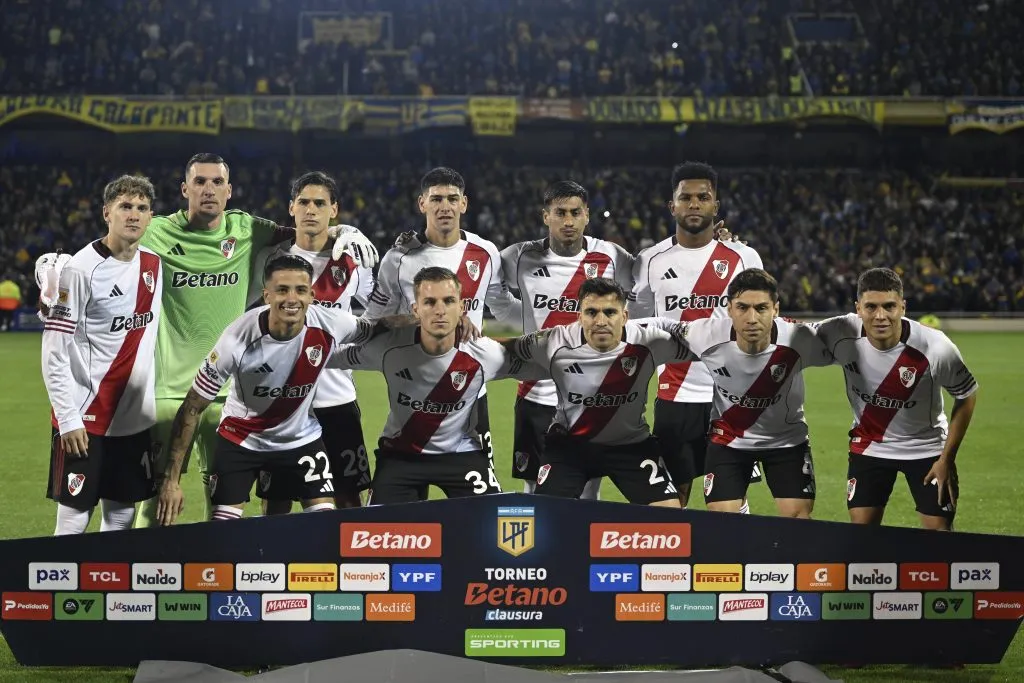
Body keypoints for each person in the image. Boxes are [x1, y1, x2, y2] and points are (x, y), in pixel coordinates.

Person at [121, 152, 377, 527]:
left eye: (217, 182)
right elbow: (118, 234)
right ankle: (157, 573)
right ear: (184, 188)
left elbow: (366, 312)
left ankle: (235, 569)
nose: (208, 189)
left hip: (287, 393)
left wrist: (347, 230)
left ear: (229, 190)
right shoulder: (164, 232)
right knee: (164, 493)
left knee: (333, 496)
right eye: (200, 182)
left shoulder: (255, 233)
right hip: (199, 392)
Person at [155, 256, 382, 524]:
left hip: (301, 439)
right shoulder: (236, 340)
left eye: (300, 290)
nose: (291, 298)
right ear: (266, 296)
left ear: (311, 295)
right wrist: (171, 481)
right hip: (241, 439)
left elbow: (377, 329)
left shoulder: (331, 323)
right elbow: (192, 406)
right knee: (223, 530)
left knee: (325, 526)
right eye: (282, 290)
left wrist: (428, 326)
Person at [362, 167, 520, 471]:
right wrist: (420, 322)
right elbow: (373, 322)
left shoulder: (486, 253)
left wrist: (557, 322)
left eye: (452, 198)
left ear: (464, 203)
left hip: (472, 389)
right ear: (422, 204)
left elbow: (504, 308)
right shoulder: (398, 258)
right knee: (404, 505)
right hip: (413, 389)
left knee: (478, 504)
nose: (444, 206)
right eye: (436, 199)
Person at [629, 161, 764, 510]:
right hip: (675, 398)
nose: (693, 204)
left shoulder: (743, 257)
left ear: (715, 206)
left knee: (729, 503)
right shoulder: (649, 261)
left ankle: (737, 562)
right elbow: (641, 325)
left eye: (702, 197)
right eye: (685, 197)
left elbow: (761, 322)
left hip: (730, 396)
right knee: (676, 503)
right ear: (671, 205)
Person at [646, 269, 829, 518]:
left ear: (775, 309)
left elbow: (848, 333)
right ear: (729, 309)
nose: (751, 318)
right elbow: (664, 324)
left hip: (786, 441)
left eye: (761, 308)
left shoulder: (800, 338)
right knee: (724, 522)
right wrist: (618, 329)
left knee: (798, 522)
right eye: (742, 308)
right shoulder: (706, 334)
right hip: (729, 441)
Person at [40, 175, 162, 535]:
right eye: (125, 206)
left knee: (121, 516)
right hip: (86, 419)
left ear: (151, 216)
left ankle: (113, 592)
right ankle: (61, 588)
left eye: (141, 208)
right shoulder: (80, 270)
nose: (134, 215)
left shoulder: (155, 265)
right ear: (107, 212)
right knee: (75, 516)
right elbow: (53, 353)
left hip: (133, 418)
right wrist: (68, 419)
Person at [329, 267, 513, 504]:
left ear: (462, 307)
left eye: (448, 301)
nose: (439, 310)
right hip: (401, 455)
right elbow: (326, 355)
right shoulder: (388, 349)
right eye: (429, 302)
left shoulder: (485, 353)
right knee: (378, 532)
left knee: (494, 525)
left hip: (460, 454)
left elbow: (541, 361)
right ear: (415, 310)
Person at [814, 267, 978, 531]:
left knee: (940, 533)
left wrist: (946, 459)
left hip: (927, 448)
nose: (880, 316)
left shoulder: (936, 347)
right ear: (858, 308)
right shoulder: (839, 333)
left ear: (903, 306)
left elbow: (966, 396)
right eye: (871, 307)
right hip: (870, 445)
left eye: (889, 306)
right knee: (862, 534)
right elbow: (792, 338)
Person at [248, 171, 374, 511]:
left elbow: (372, 315)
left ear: (334, 210)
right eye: (303, 202)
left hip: (336, 399)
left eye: (320, 203)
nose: (311, 210)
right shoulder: (272, 261)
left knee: (349, 499)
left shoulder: (353, 261)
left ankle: (351, 565)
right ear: (291, 208)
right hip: (282, 401)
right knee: (277, 503)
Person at [500, 181, 634, 498]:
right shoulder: (519, 256)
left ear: (587, 215)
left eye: (576, 212)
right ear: (546, 216)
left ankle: (582, 548)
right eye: (560, 213)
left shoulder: (612, 256)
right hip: (537, 395)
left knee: (588, 491)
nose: (569, 221)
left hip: (592, 397)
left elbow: (650, 286)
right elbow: (487, 290)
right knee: (533, 487)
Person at [503, 278, 682, 507]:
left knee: (671, 518)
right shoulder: (554, 341)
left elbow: (704, 346)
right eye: (591, 312)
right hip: (570, 447)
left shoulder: (650, 342)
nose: (600, 321)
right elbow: (507, 347)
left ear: (624, 317)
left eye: (609, 312)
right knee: (546, 517)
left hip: (631, 446)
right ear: (579, 316)